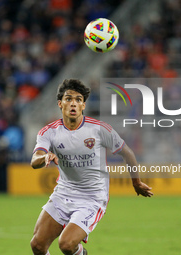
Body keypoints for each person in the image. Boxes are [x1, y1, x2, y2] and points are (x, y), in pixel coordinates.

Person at [30, 79, 153, 255]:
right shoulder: (49, 132)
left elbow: (128, 153)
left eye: (78, 99)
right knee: (37, 246)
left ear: (83, 106)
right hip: (63, 193)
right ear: (60, 103)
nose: (73, 103)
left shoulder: (99, 129)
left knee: (66, 244)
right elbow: (35, 160)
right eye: (68, 98)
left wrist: (137, 183)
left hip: (92, 198)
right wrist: (44, 157)